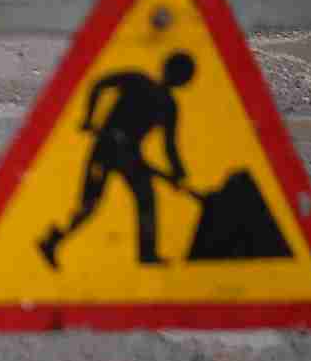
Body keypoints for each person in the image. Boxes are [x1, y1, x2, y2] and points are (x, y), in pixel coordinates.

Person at [38, 51, 195, 270]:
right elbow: (99, 84)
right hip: (106, 148)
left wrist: (178, 172)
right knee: (90, 204)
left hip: (131, 157)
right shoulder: (137, 80)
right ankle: (52, 241)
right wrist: (89, 117)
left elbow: (170, 144)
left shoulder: (169, 105)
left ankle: (147, 254)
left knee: (145, 199)